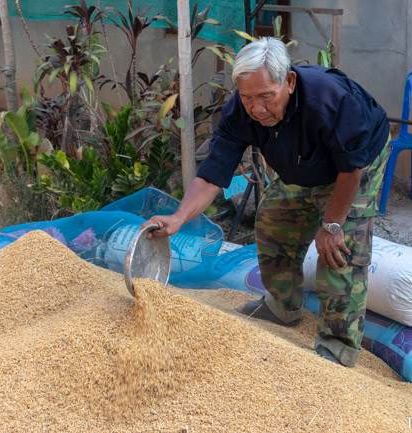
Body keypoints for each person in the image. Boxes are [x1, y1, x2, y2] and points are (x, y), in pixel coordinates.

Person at [144, 37, 390, 367]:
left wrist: (331, 225)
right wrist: (178, 218)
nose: (257, 108)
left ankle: (338, 346)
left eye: (266, 97)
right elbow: (213, 174)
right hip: (304, 164)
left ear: (288, 82)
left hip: (356, 164)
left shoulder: (329, 100)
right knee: (274, 220)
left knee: (337, 251)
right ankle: (283, 306)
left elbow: (350, 170)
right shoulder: (240, 112)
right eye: (247, 98)